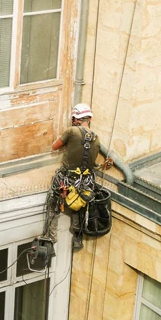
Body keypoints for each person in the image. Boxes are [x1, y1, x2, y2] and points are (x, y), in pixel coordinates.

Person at [42, 103, 112, 250]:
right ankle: (77, 239)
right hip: (85, 182)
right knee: (79, 209)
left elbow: (55, 146)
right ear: (89, 119)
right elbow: (92, 163)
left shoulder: (72, 131)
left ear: (75, 119)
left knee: (53, 205)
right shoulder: (96, 139)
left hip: (66, 179)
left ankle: (50, 238)